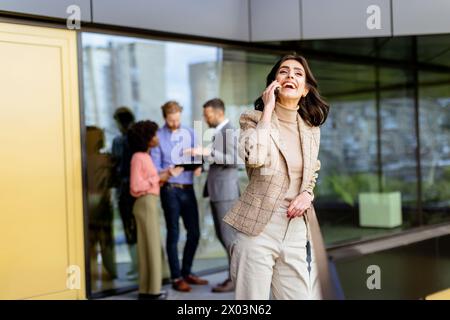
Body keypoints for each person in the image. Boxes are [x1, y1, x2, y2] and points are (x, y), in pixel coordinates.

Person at [223, 53, 337, 300]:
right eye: (283, 71)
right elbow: (254, 157)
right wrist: (268, 111)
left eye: (298, 74)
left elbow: (311, 170)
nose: (290, 76)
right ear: (273, 83)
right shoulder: (251, 120)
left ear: (305, 90)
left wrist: (307, 193)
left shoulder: (311, 129)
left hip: (295, 230)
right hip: (258, 229)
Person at [151, 101, 208, 292]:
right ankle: (176, 277)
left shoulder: (190, 133)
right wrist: (168, 171)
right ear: (165, 117)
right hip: (170, 189)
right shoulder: (158, 137)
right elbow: (155, 169)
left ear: (180, 115)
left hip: (188, 188)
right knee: (173, 233)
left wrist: (199, 165)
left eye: (177, 119)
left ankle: (187, 272)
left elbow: (199, 157)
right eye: (171, 120)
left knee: (195, 232)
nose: (175, 123)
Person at [186, 98, 240, 293]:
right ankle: (234, 277)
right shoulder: (220, 132)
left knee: (230, 238)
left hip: (226, 193)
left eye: (207, 115)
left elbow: (234, 160)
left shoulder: (228, 131)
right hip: (219, 191)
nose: (205, 118)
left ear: (219, 113)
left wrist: (206, 152)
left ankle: (235, 280)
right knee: (224, 236)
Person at [128, 120, 170, 300]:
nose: (156, 137)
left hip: (149, 202)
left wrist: (162, 176)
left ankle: (147, 291)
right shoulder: (138, 157)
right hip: (144, 203)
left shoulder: (145, 156)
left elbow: (146, 180)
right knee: (150, 247)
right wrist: (156, 180)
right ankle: (152, 292)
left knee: (150, 246)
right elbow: (135, 186)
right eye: (153, 134)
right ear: (146, 138)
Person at [86, 126, 117, 281]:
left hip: (87, 205)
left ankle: (91, 276)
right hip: (102, 203)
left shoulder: (81, 159)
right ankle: (111, 273)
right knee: (106, 241)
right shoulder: (107, 159)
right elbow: (114, 180)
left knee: (89, 241)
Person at [111, 107, 138, 278]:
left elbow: (115, 165)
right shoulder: (138, 139)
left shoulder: (120, 141)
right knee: (137, 229)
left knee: (130, 229)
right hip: (138, 190)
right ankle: (140, 266)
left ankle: (137, 266)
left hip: (125, 190)